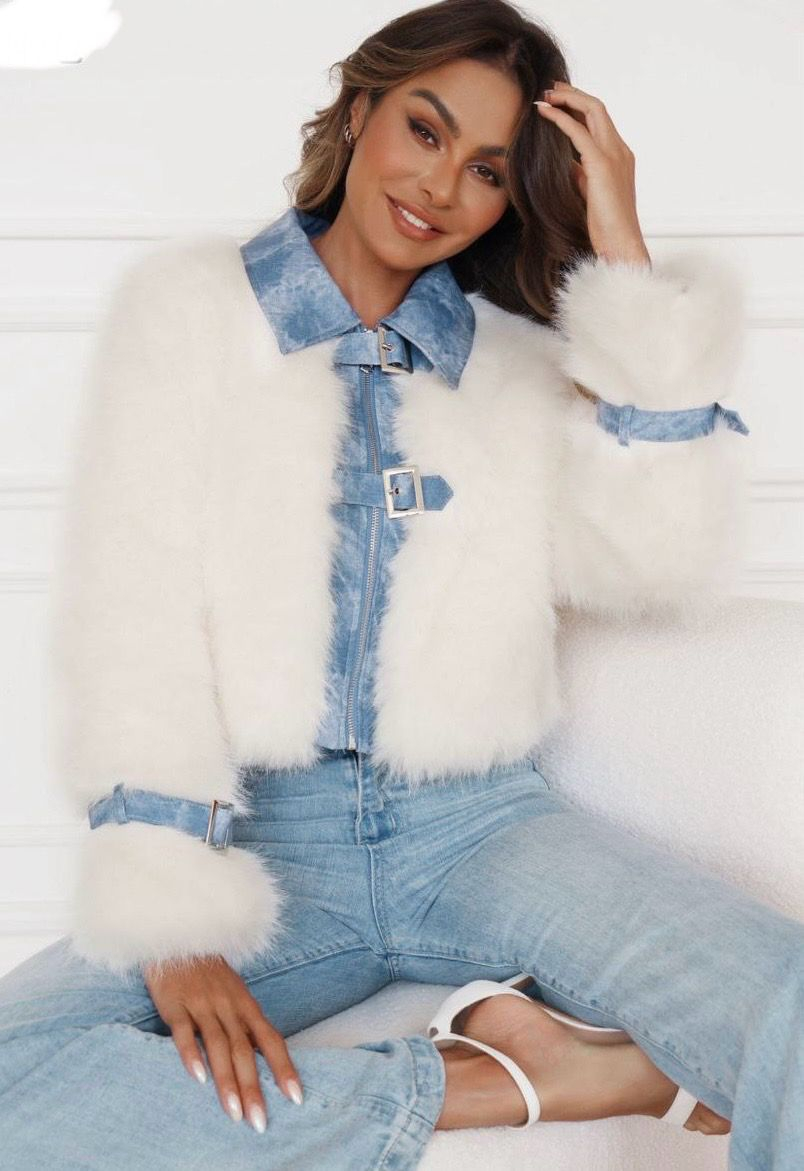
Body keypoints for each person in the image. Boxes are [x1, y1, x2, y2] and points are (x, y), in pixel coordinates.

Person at [1, 1, 800, 1168]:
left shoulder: (515, 363)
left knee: (787, 999)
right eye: (425, 130)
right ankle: (503, 1080)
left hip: (479, 822)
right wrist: (172, 911)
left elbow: (656, 562)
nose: (440, 185)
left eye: (487, 169)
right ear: (359, 108)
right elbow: (136, 613)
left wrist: (624, 259)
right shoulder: (191, 312)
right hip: (273, 845)